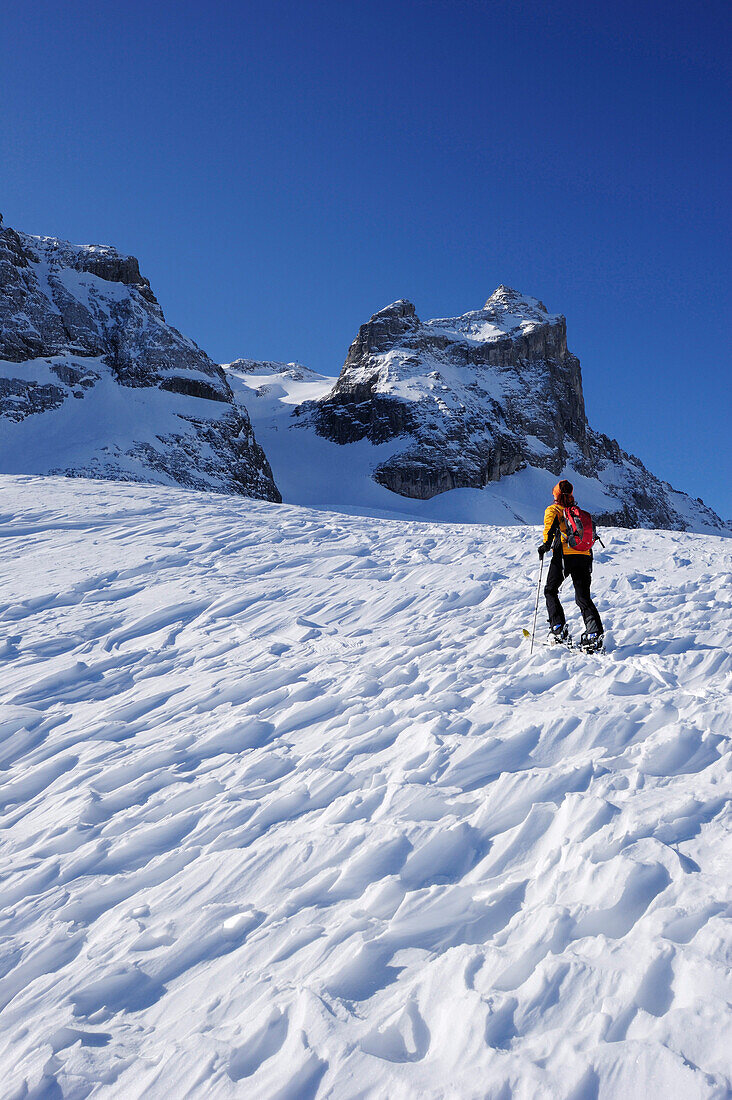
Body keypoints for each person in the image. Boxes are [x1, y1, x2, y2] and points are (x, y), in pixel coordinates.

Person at [538, 479, 604, 651]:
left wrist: (545, 546)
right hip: (584, 556)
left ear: (556, 495)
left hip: (564, 556)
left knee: (550, 590)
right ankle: (594, 633)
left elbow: (550, 530)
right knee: (582, 597)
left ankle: (558, 629)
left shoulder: (554, 510)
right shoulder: (577, 512)